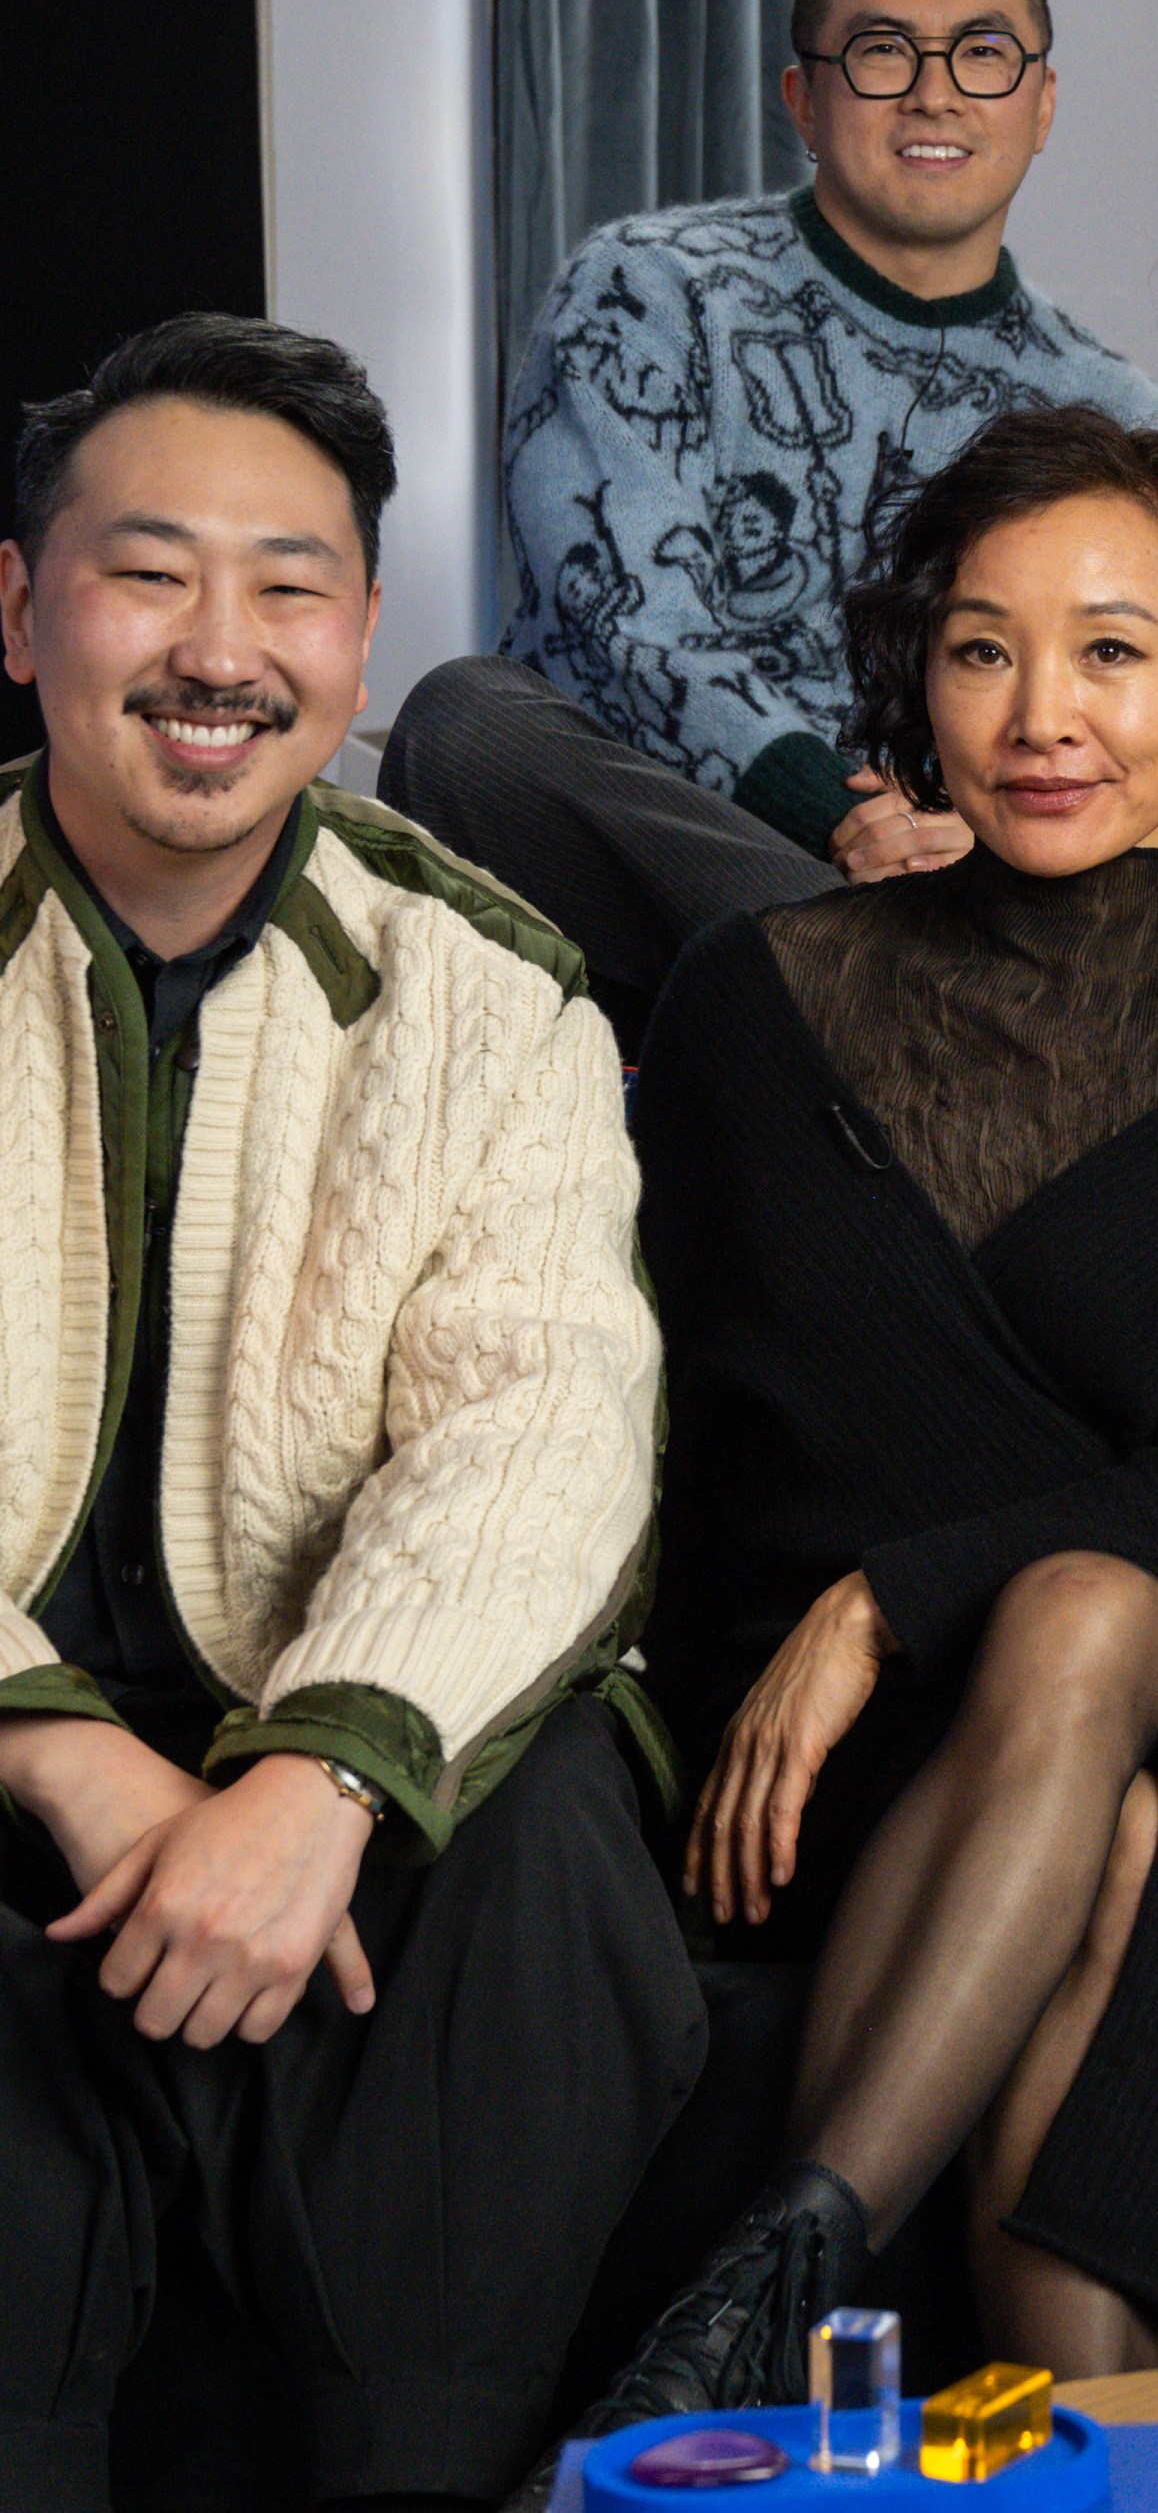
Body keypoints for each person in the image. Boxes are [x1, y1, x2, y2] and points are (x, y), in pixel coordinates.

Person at [550, 402, 1158, 2468]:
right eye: (983, 651)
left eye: (1114, 651)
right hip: (811, 1740)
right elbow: (641, 1403)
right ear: (920, 681)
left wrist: (893, 1594)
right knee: (1112, 1851)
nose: (1046, 714)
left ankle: (779, 2281)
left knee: (1088, 1619)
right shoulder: (747, 1000)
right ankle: (1102, 2461)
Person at [0, 316, 698, 2513]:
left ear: (364, 633)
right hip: (20, 1700)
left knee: (559, 1821)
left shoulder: (494, 992)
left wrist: (323, 1768)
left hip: (354, 1713)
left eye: (288, 587)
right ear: (18, 611)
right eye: (149, 574)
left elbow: (545, 1427)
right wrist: (51, 1743)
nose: (222, 648)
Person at [380, 0, 1158, 1049]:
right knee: (465, 724)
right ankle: (905, 982)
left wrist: (978, 835)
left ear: (1043, 100)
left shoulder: (1113, 411)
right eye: (881, 52)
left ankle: (908, 980)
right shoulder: (649, 288)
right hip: (682, 865)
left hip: (980, 866)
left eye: (983, 52)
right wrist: (839, 813)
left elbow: (1141, 712)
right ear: (805, 100)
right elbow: (616, 623)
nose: (934, 90)